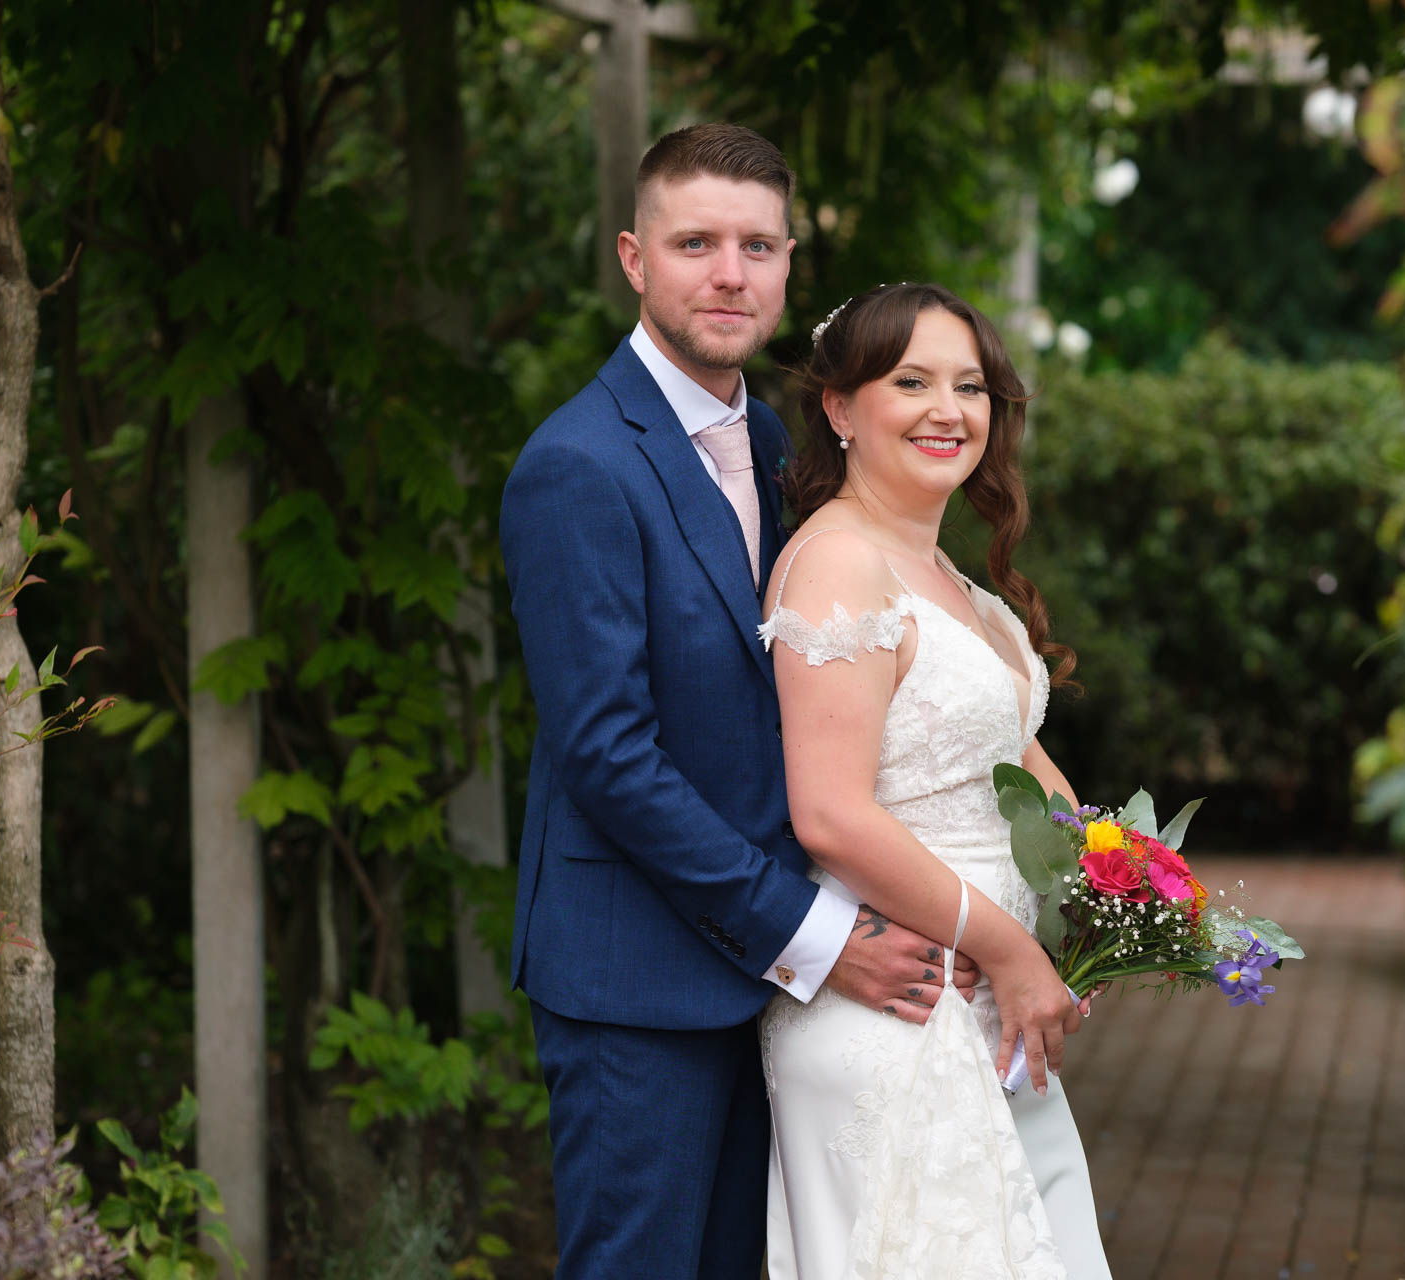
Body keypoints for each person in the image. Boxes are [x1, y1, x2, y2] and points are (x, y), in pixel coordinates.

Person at [499, 126, 976, 1280]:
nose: (729, 272)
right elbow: (611, 757)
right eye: (696, 242)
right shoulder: (577, 465)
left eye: (756, 246)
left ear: (788, 263)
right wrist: (816, 938)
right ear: (633, 257)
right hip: (638, 984)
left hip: (762, 990)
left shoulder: (770, 437)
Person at [759, 282, 1113, 1278]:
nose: (947, 409)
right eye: (910, 381)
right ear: (839, 407)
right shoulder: (837, 563)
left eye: (970, 384)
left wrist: (1134, 885)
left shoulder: (956, 581)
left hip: (993, 1010)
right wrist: (1010, 948)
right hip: (904, 1009)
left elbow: (1024, 768)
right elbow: (829, 815)